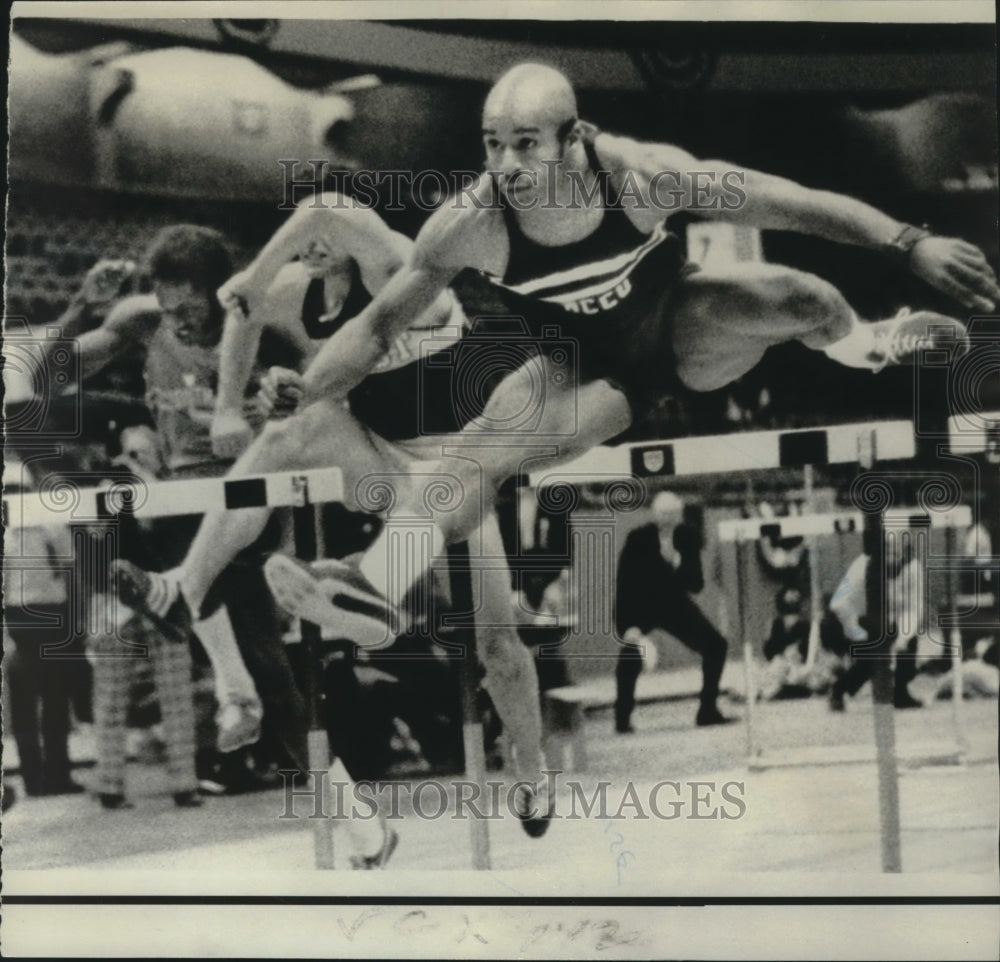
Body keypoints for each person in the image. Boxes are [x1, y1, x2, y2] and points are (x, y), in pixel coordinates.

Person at [278, 61, 995, 640]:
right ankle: (375, 589)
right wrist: (310, 389)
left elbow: (790, 200)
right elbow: (375, 329)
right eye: (492, 143)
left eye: (526, 143)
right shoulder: (467, 225)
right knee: (475, 456)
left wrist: (908, 241)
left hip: (681, 329)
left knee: (801, 294)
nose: (506, 164)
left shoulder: (642, 175)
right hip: (581, 371)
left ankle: (868, 344)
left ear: (575, 135)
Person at [108, 199, 554, 855]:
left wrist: (257, 271)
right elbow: (245, 317)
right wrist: (231, 406)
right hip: (378, 459)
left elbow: (327, 212)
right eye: (301, 242)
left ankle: (533, 763)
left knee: (500, 653)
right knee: (295, 427)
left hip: (458, 471)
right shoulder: (296, 293)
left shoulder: (399, 264)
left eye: (318, 238)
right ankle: (186, 587)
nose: (310, 248)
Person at [54, 228, 308, 771]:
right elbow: (48, 374)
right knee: (266, 660)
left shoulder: (267, 320)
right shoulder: (142, 321)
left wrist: (286, 404)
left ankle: (231, 684)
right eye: (167, 309)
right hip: (185, 498)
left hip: (251, 495)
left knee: (162, 527)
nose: (178, 322)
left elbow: (333, 392)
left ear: (222, 291)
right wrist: (81, 307)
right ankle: (349, 814)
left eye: (189, 309)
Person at [3, 457, 87, 798]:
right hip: (26, 616)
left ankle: (54, 775)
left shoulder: (50, 524)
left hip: (49, 614)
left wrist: (77, 617)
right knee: (31, 700)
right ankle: (37, 778)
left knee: (54, 698)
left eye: (17, 490)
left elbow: (71, 569)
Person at [613, 492, 731, 730]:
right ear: (654, 514)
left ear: (678, 515)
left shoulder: (687, 538)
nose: (667, 518)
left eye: (671, 513)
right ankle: (622, 716)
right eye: (662, 513)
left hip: (674, 604)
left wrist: (677, 562)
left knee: (716, 645)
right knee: (630, 653)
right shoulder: (638, 539)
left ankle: (708, 709)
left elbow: (696, 584)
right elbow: (625, 583)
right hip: (642, 604)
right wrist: (627, 626)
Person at [827, 536, 931, 711]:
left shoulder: (913, 568)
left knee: (908, 639)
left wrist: (903, 639)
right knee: (872, 656)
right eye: (888, 552)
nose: (893, 558)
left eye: (898, 553)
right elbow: (838, 603)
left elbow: (914, 609)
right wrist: (857, 633)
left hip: (888, 622)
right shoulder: (862, 565)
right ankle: (839, 689)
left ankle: (900, 693)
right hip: (852, 621)